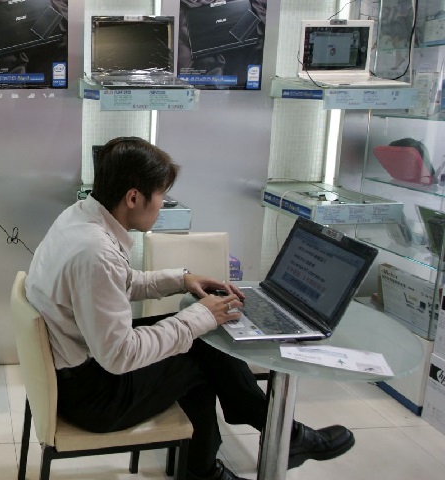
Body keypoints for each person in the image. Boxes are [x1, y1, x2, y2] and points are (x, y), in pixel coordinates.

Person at [25, 137, 355, 480]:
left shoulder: (79, 219)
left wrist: (182, 280)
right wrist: (199, 317)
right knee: (202, 350)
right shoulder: (95, 252)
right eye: (161, 195)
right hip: (93, 398)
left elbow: (118, 283)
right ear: (134, 197)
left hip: (78, 369)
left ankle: (235, 452)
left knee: (201, 340)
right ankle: (264, 441)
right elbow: (118, 355)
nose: (163, 203)